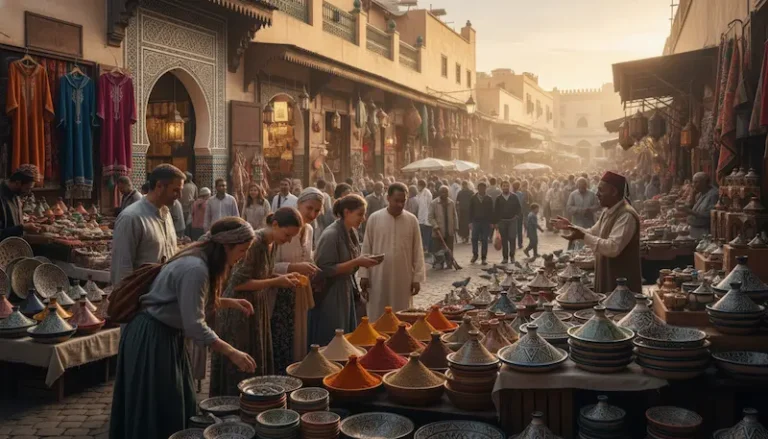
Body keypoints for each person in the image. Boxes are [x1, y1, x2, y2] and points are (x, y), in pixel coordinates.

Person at [110, 217, 257, 439]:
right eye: (242, 250)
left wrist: (228, 302)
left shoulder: (200, 258)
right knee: (159, 405)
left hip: (164, 335)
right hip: (153, 338)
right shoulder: (195, 268)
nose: (243, 257)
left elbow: (185, 300)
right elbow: (195, 325)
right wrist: (232, 352)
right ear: (226, 246)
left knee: (179, 399)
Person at [210, 208, 304, 396]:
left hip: (256, 305)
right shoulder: (254, 243)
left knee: (254, 358)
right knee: (239, 363)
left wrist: (283, 275)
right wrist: (276, 281)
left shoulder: (272, 243)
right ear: (275, 224)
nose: (288, 240)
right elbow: (239, 284)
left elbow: (262, 274)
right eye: (287, 234)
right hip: (238, 309)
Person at [552, 171, 641, 294]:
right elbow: (593, 232)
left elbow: (613, 248)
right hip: (608, 277)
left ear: (614, 192)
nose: (597, 194)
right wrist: (571, 227)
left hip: (621, 283)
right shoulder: (607, 211)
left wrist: (583, 236)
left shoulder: (626, 215)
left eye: (601, 190)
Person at [311, 195, 381, 346]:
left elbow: (352, 260)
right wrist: (357, 261)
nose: (363, 218)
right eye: (360, 214)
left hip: (346, 289)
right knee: (333, 335)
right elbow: (322, 269)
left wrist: (363, 260)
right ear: (347, 212)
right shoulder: (331, 235)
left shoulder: (351, 232)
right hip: (331, 293)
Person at [272, 188, 324, 371]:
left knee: (299, 338)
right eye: (309, 208)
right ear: (298, 204)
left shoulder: (309, 229)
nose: (312, 214)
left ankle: (297, 372)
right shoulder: (283, 229)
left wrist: (310, 267)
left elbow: (307, 257)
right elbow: (269, 267)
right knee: (282, 338)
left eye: (317, 211)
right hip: (279, 291)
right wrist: (294, 268)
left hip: (300, 290)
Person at [360, 183, 425, 321]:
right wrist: (364, 275)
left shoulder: (412, 220)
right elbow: (366, 248)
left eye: (403, 201)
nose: (400, 204)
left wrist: (417, 278)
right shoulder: (374, 218)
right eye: (397, 200)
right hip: (378, 277)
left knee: (401, 315)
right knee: (378, 315)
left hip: (403, 277)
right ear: (388, 198)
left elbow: (417, 250)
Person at [111, 164, 183, 286]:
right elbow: (122, 270)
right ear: (159, 186)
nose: (180, 196)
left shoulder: (166, 213)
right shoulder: (131, 218)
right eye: (176, 190)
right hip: (142, 300)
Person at [0, 164, 40, 239]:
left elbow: (13, 224)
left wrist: (25, 221)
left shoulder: (15, 195)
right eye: (27, 188)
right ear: (18, 183)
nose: (29, 192)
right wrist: (22, 228)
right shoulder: (2, 197)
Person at [429, 186, 459, 269]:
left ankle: (449, 263)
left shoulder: (451, 203)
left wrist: (456, 226)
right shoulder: (434, 203)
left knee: (449, 248)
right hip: (438, 231)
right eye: (442, 192)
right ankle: (439, 263)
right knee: (438, 249)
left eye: (446, 192)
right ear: (439, 193)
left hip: (449, 230)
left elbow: (455, 215)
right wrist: (435, 225)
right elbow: (430, 217)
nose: (444, 194)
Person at [566, 177, 600, 250]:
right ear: (577, 186)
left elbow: (597, 205)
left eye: (583, 186)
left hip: (589, 222)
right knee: (576, 242)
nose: (581, 188)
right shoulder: (573, 195)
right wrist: (579, 210)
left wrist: (590, 209)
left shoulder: (592, 194)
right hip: (577, 222)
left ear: (586, 186)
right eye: (580, 186)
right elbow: (568, 207)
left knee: (588, 241)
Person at [682, 172, 719, 239]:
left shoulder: (713, 195)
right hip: (695, 229)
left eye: (696, 182)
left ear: (704, 182)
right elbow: (693, 207)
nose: (693, 185)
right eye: (693, 182)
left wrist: (690, 212)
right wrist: (693, 195)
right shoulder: (701, 193)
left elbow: (709, 214)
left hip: (704, 231)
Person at [494, 180, 522, 264]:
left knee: (512, 239)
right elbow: (496, 211)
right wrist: (496, 222)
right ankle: (505, 258)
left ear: (509, 187)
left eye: (507, 186)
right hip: (502, 221)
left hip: (512, 221)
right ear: (501, 187)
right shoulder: (498, 198)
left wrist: (516, 216)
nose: (505, 187)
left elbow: (519, 208)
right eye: (504, 186)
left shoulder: (514, 197)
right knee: (504, 240)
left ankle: (512, 256)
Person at [469, 181, 494, 265]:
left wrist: (491, 222)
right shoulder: (473, 198)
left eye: (483, 188)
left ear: (485, 189)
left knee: (484, 240)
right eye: (480, 188)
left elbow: (491, 211)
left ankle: (484, 257)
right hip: (476, 221)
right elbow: (470, 211)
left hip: (486, 222)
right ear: (478, 188)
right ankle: (475, 255)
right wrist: (470, 222)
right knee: (474, 238)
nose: (482, 190)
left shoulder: (489, 198)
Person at [415, 180, 433, 253]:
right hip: (421, 218)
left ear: (421, 185)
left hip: (426, 219)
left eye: (418, 185)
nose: (417, 187)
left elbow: (424, 207)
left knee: (426, 236)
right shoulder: (421, 193)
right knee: (422, 235)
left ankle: (426, 249)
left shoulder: (426, 193)